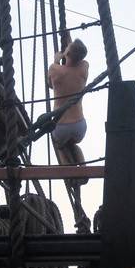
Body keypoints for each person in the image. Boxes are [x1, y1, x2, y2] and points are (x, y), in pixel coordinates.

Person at [48, 33, 89, 171]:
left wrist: (56, 61)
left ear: (67, 54)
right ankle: (83, 169)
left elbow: (50, 84)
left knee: (59, 145)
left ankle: (69, 173)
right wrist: (69, 39)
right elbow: (76, 55)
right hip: (79, 126)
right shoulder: (84, 67)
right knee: (73, 145)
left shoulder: (54, 69)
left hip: (61, 126)